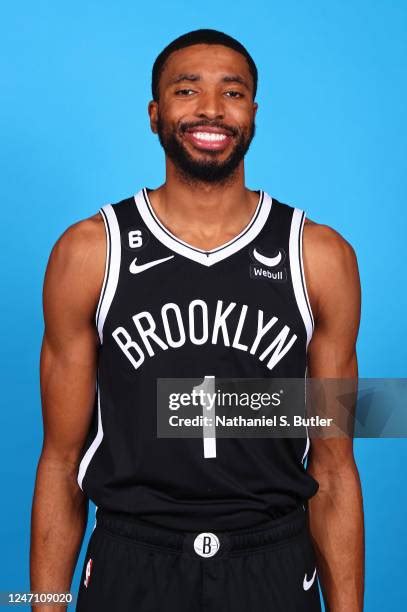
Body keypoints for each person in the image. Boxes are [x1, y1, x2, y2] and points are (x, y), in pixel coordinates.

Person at [30, 28, 364, 612]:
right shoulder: (90, 252)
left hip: (273, 564)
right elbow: (61, 461)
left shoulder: (318, 256)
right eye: (188, 91)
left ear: (253, 114)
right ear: (156, 113)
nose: (211, 109)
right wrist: (44, 605)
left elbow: (333, 468)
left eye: (232, 94)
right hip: (130, 562)